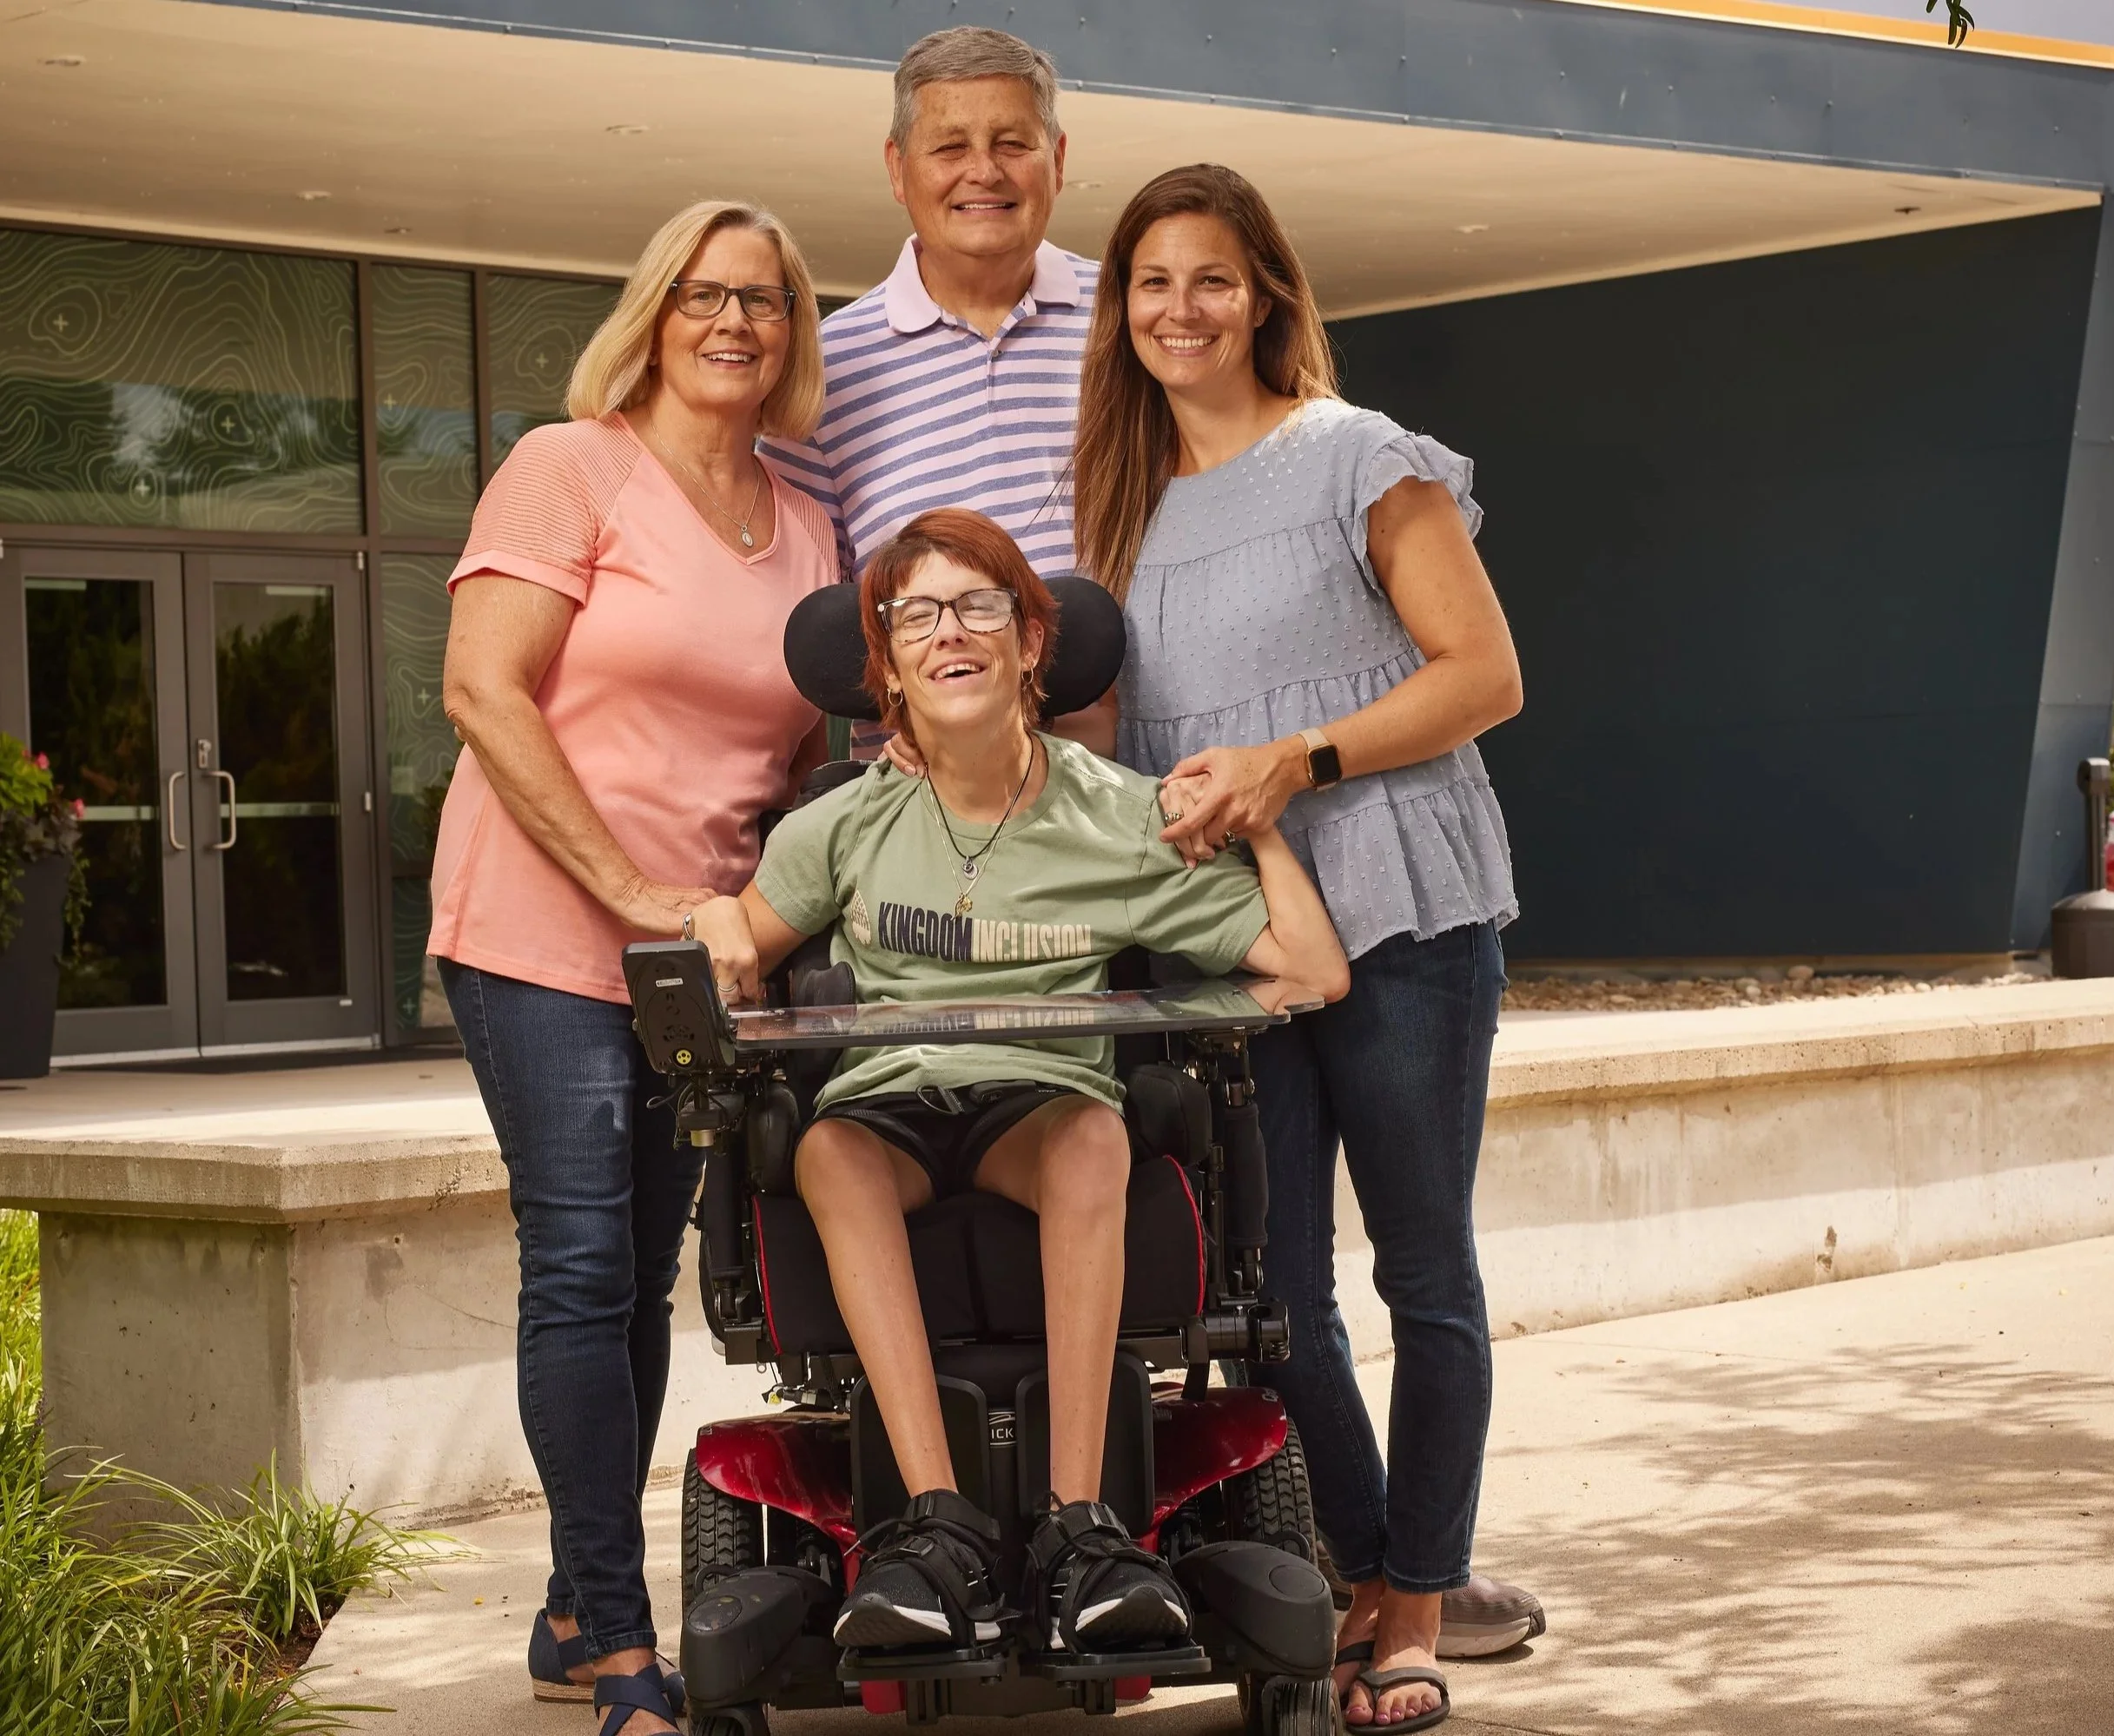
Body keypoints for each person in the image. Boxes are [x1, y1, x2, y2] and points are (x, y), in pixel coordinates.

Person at [686, 507, 1348, 1658]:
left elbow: (1309, 966)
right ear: (887, 665)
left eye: (979, 604)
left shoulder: (1121, 817)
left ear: (1032, 639)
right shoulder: (841, 824)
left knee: (1092, 1134)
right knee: (825, 1149)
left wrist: (1261, 823)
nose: (949, 631)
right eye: (915, 615)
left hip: (1034, 1110)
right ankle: (928, 1527)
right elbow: (738, 943)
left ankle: (1081, 1526)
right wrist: (708, 922)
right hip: (885, 1115)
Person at [1072, 164, 1540, 1732]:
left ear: (1265, 292)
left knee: (1423, 1269)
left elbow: (1481, 674)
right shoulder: (1117, 504)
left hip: (1400, 902)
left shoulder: (1357, 456)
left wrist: (1298, 757)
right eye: (1149, 283)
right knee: (1271, 1287)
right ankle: (1360, 1562)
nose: (1177, 310)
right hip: (1233, 940)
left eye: (1209, 279)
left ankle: (1416, 1593)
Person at [430, 200, 835, 1736]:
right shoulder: (570, 463)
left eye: (768, 302)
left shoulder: (798, 522)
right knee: (584, 1259)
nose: (736, 323)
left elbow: (791, 752)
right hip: (538, 927)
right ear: (652, 312)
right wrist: (637, 887)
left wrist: (753, 910)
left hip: (695, 958)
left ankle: (563, 1596)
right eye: (705, 295)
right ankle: (616, 1644)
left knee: (642, 1278)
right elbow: (484, 689)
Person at [764, 28, 1091, 748]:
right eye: (949, 148)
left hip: (1147, 784)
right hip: (925, 797)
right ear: (897, 167)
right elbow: (800, 621)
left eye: (1013, 143)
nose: (984, 172)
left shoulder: (1135, 322)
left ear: (1057, 160)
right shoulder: (823, 373)